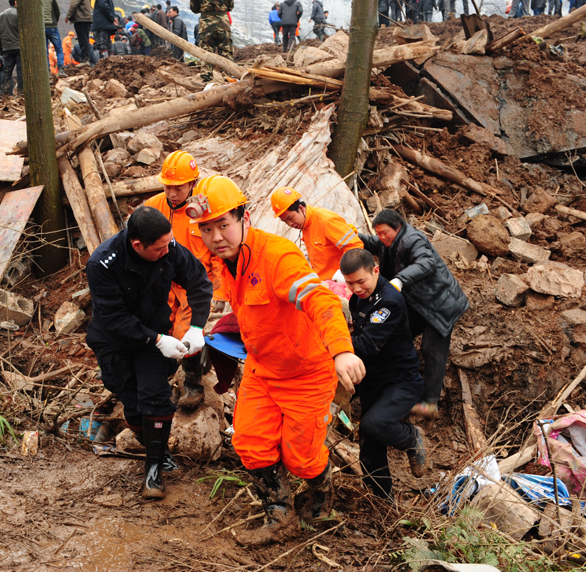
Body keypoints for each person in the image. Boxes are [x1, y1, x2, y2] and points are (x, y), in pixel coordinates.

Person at [190, 175, 365, 547]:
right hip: (261, 369)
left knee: (302, 459)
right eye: (207, 228)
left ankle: (321, 501)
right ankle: (279, 514)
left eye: (224, 225)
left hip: (306, 372)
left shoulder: (277, 257)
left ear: (245, 218)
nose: (216, 236)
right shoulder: (220, 261)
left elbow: (321, 300)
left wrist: (342, 349)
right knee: (250, 444)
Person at [86, 207, 213, 500]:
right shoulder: (102, 263)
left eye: (169, 244)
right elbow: (114, 318)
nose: (167, 251)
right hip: (114, 338)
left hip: (156, 329)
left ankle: (153, 471)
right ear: (137, 245)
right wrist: (156, 340)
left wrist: (196, 327)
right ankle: (159, 448)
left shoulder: (169, 249)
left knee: (154, 396)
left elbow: (198, 282)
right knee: (131, 402)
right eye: (159, 248)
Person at [359, 209, 469, 417]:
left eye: (385, 233)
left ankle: (429, 403)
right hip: (418, 303)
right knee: (398, 333)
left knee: (432, 350)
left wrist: (400, 280)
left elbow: (426, 263)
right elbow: (372, 243)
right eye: (379, 233)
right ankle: (390, 378)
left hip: (441, 305)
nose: (382, 237)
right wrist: (352, 237)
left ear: (398, 227)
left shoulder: (413, 239)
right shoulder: (388, 241)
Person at [340, 248, 427, 499]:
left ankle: (412, 437)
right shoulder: (359, 299)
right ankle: (381, 501)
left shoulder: (389, 301)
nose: (356, 289)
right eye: (349, 283)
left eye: (360, 281)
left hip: (400, 381)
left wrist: (334, 341)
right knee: (368, 445)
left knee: (375, 424)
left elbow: (366, 344)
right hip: (373, 381)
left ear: (375, 271)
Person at [142, 152, 220, 410]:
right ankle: (159, 372)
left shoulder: (204, 209)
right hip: (162, 279)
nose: (173, 193)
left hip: (193, 282)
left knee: (187, 331)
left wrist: (218, 284)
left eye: (178, 187)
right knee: (160, 326)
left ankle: (193, 384)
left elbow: (220, 248)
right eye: (168, 187)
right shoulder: (152, 207)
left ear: (192, 184)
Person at [270, 187, 363, 280]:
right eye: (285, 221)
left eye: (290, 218)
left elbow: (355, 246)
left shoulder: (326, 220)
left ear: (301, 208)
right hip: (325, 282)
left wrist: (343, 274)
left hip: (340, 282)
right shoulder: (306, 226)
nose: (290, 224)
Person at [191, 0, 234, 80]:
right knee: (225, 51)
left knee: (206, 50)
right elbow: (230, 6)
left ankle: (206, 77)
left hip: (206, 24)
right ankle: (228, 76)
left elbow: (194, 8)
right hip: (222, 23)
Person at [0, 0, 22, 96]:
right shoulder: (21, 14)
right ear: (15, 2)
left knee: (6, 71)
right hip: (20, 47)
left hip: (7, 48)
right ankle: (21, 93)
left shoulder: (1, 15)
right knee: (21, 70)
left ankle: (3, 93)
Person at [67, 0, 97, 66]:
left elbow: (73, 4)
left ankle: (85, 59)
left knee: (82, 40)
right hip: (86, 18)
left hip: (81, 19)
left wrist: (68, 17)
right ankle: (86, 58)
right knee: (85, 40)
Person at [43, 0, 68, 77]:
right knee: (59, 49)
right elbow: (57, 11)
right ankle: (60, 69)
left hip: (41, 27)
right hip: (52, 26)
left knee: (45, 51)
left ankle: (47, 73)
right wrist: (55, 22)